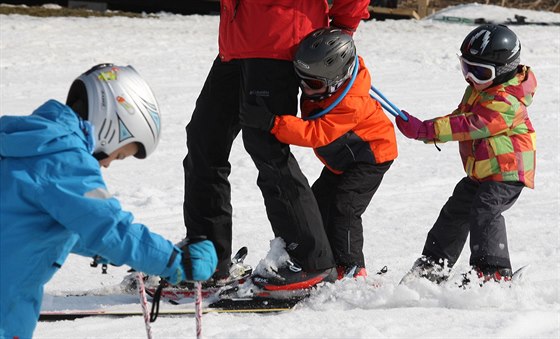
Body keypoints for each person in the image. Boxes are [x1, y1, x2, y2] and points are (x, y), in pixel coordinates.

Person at [0, 64, 218, 338]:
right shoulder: (63, 159)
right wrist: (176, 261)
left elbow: (38, 226)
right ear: (113, 126)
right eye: (119, 154)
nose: (108, 164)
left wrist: (112, 251)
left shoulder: (27, 144)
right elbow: (108, 228)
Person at [182, 0, 370, 290]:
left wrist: (345, 24)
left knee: (265, 145)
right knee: (203, 140)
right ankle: (206, 257)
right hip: (235, 43)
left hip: (280, 39)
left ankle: (310, 260)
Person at [241, 28, 398, 282]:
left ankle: (351, 270)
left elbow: (316, 133)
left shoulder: (349, 103)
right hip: (344, 160)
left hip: (370, 158)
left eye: (312, 83)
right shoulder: (327, 86)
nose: (304, 86)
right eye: (300, 78)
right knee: (317, 204)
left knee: (344, 209)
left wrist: (272, 123)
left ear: (338, 78)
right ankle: (326, 262)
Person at [396, 24, 537, 285]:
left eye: (480, 72)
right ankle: (433, 265)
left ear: (504, 71)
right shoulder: (481, 88)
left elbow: (469, 125)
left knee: (485, 210)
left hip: (507, 170)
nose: (470, 78)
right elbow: (460, 118)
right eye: (466, 68)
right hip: (484, 170)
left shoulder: (507, 100)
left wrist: (426, 131)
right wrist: (425, 128)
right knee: (456, 210)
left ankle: (492, 272)